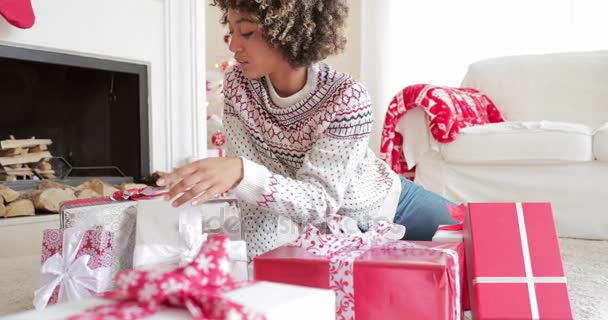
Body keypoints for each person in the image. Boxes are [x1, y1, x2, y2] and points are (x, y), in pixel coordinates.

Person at [157, 0, 457, 260]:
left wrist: (241, 172)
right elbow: (254, 202)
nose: (234, 45)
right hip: (340, 236)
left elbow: (321, 201)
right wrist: (257, 270)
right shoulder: (240, 85)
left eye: (246, 32)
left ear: (286, 30)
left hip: (391, 207)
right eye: (231, 30)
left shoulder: (346, 97)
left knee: (488, 243)